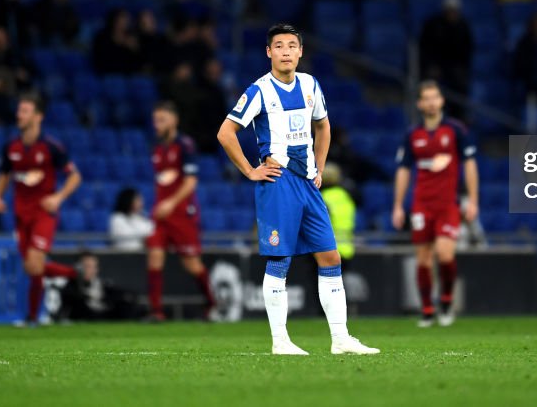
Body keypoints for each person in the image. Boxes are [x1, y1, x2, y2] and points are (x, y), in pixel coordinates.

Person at [216, 23, 378, 355]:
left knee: (330, 255)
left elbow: (323, 126)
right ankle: (280, 341)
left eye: (292, 45)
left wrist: (318, 166)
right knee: (280, 259)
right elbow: (225, 133)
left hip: (307, 183)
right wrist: (250, 170)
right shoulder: (259, 90)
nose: (286, 51)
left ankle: (341, 339)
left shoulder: (310, 85)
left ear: (301, 51)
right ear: (269, 53)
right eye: (279, 46)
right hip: (278, 183)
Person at [392, 81, 479, 327]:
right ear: (420, 103)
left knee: (444, 253)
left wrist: (473, 200)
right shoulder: (412, 134)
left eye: (435, 97)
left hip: (447, 205)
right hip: (421, 204)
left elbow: (470, 165)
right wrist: (398, 205)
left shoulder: (455, 130)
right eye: (426, 98)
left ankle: (447, 300)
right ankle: (427, 310)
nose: (431, 102)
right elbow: (403, 170)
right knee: (423, 259)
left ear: (441, 101)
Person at [0, 93, 83, 326]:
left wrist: (58, 197)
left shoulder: (51, 147)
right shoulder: (10, 146)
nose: (18, 115)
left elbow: (75, 176)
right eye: (19, 110)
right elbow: (5, 173)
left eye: (24, 111)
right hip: (20, 213)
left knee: (34, 263)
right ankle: (72, 276)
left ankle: (33, 316)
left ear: (38, 116)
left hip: (44, 213)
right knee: (31, 267)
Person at [146, 102, 215, 321]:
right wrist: (161, 205)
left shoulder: (185, 145)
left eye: (162, 120)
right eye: (155, 120)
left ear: (174, 120)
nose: (157, 124)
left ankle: (211, 304)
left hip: (182, 213)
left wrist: (170, 203)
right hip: (161, 215)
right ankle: (156, 311)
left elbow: (190, 182)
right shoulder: (156, 147)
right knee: (154, 256)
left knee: (192, 264)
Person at [418, 0, 473, 118]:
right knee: (431, 85)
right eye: (449, 10)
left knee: (459, 84)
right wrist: (432, 65)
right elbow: (425, 48)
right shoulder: (433, 25)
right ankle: (433, 116)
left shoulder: (462, 26)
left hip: (455, 68)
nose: (452, 13)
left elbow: (467, 50)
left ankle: (459, 117)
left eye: (454, 10)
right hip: (436, 66)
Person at [59, 252, 142, 321]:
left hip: (103, 315)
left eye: (94, 267)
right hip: (85, 316)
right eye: (87, 266)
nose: (91, 270)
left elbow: (117, 293)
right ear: (78, 267)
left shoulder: (101, 284)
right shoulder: (71, 286)